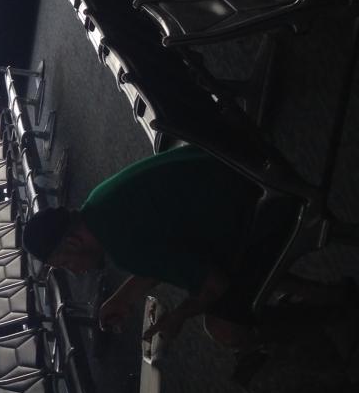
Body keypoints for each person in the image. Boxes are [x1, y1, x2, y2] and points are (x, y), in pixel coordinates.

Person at [21, 144, 354, 348]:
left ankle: (336, 317)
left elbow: (214, 284)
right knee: (221, 265)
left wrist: (178, 317)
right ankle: (328, 295)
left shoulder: (122, 246)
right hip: (240, 161)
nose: (76, 272)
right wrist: (124, 297)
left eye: (65, 263)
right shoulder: (97, 206)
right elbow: (163, 254)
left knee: (224, 328)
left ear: (73, 241)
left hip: (261, 204)